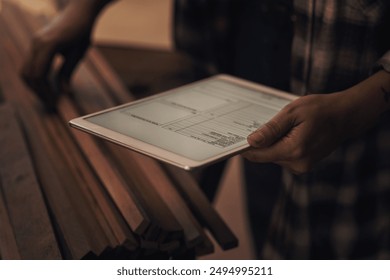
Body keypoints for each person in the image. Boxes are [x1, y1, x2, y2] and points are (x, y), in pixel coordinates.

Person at [22, 0, 390, 259]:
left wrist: (363, 104)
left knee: (319, 244)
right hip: (229, 35)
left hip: (350, 94)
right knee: (266, 199)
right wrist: (87, 5)